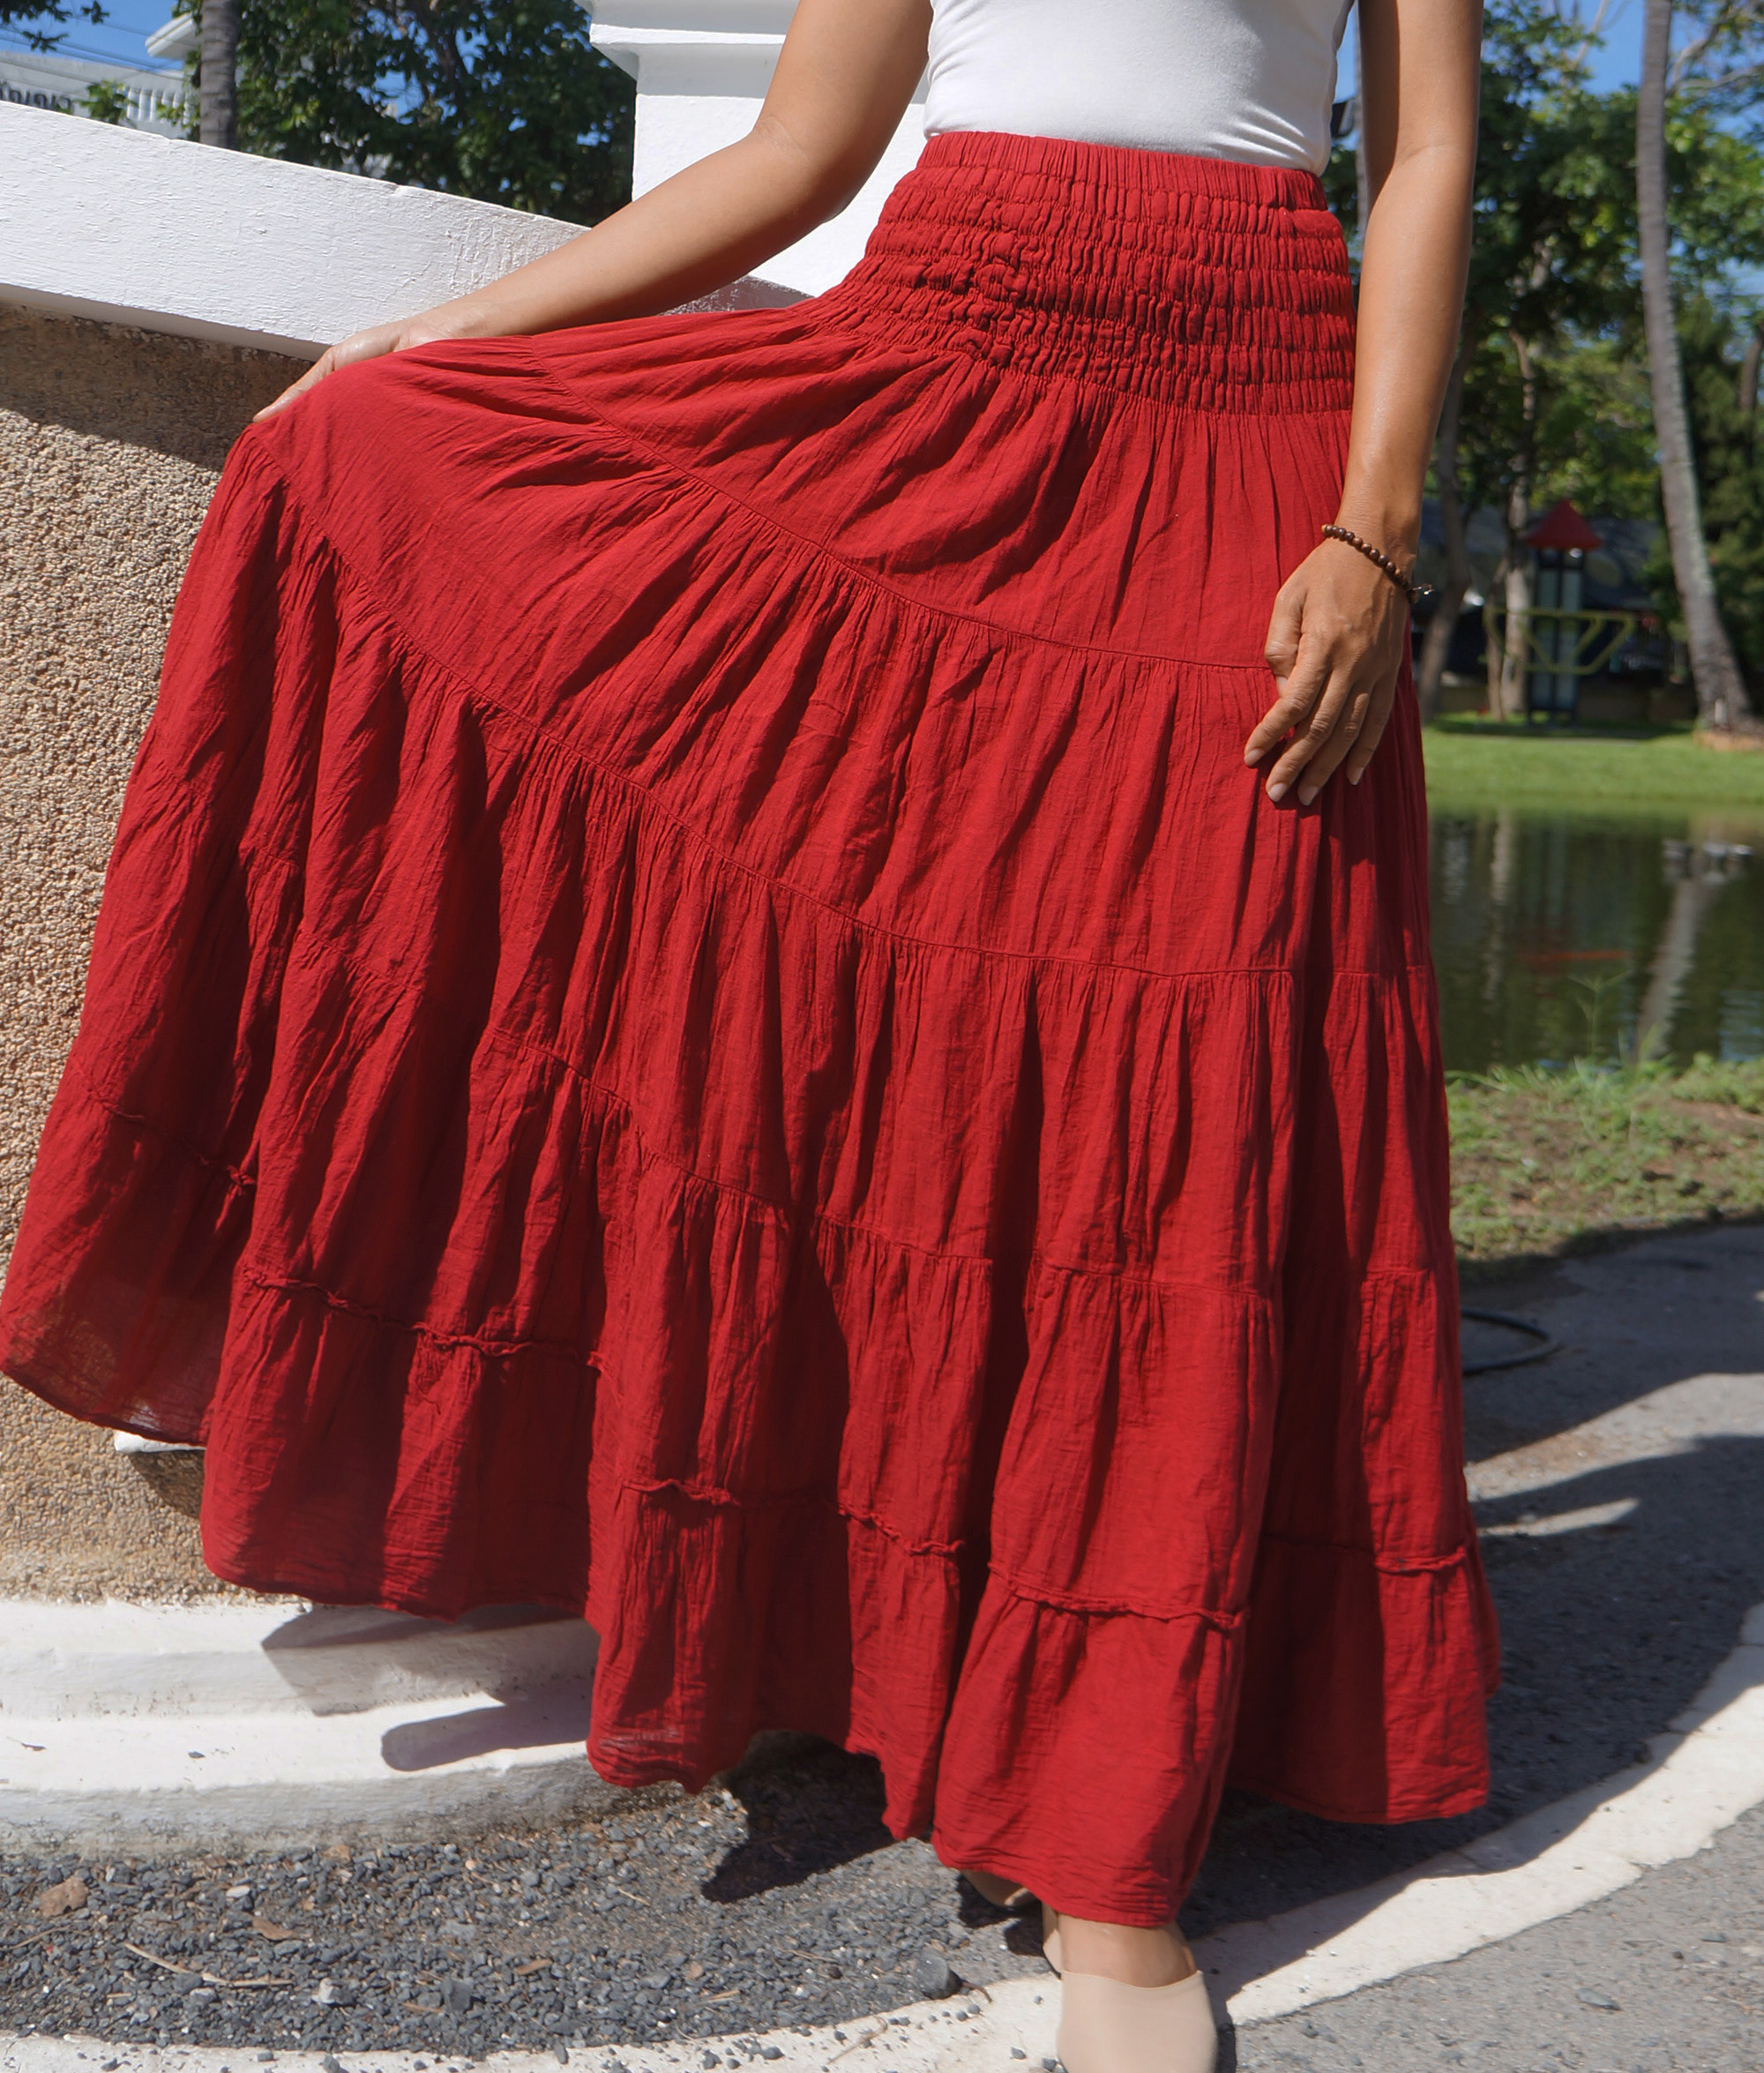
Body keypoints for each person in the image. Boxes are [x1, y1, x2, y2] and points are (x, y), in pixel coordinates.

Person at [0, 1, 1496, 2067]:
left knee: (1176, 1107)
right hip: (941, 361)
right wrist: (448, 351)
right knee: (887, 1076)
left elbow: (1421, 159)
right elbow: (794, 160)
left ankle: (1111, 1863)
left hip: (1248, 425)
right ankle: (859, 1633)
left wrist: (1372, 526)